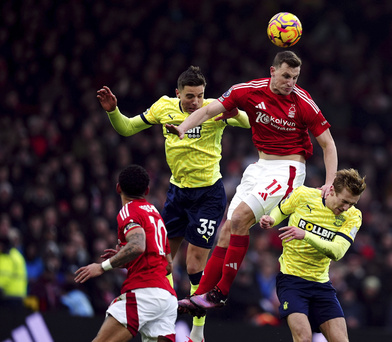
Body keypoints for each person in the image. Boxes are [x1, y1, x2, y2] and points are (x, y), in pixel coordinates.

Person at [168, 51, 337, 311]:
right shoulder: (247, 91)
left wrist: (329, 183)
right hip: (260, 166)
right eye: (285, 76)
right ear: (272, 71)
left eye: (295, 77)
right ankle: (200, 296)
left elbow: (328, 144)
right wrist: (182, 128)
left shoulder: (303, 102)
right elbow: (207, 110)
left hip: (289, 168)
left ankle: (220, 293)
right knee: (227, 228)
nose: (290, 82)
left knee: (239, 219)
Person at [97, 66, 250, 341]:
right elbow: (128, 127)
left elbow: (249, 123)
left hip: (208, 195)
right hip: (178, 194)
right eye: (190, 96)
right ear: (178, 93)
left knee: (193, 265)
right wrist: (113, 111)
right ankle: (165, 309)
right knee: (162, 259)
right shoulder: (164, 107)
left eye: (200, 96)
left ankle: (198, 331)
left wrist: (235, 113)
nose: (196, 102)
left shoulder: (214, 109)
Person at [258, 168, 366, 342]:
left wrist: (306, 235)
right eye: (344, 201)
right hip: (292, 281)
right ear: (331, 190)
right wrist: (271, 219)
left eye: (352, 203)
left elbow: (337, 252)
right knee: (304, 338)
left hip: (321, 285)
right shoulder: (303, 195)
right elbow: (281, 210)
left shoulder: (353, 216)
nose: (346, 208)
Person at [74, 164, 177, 342]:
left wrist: (102, 267)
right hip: (167, 298)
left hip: (144, 292)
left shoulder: (129, 210)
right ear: (147, 190)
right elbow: (167, 265)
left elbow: (138, 246)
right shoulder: (155, 214)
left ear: (118, 187)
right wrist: (126, 260)